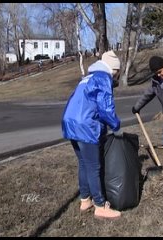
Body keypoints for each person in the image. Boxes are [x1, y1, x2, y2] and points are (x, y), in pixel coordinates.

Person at [61, 50, 123, 220]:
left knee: (84, 163)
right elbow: (106, 109)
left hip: (70, 122)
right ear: (113, 69)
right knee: (94, 167)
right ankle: (100, 205)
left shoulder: (86, 78)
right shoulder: (103, 78)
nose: (116, 76)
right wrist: (116, 125)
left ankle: (85, 200)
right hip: (85, 126)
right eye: (116, 73)